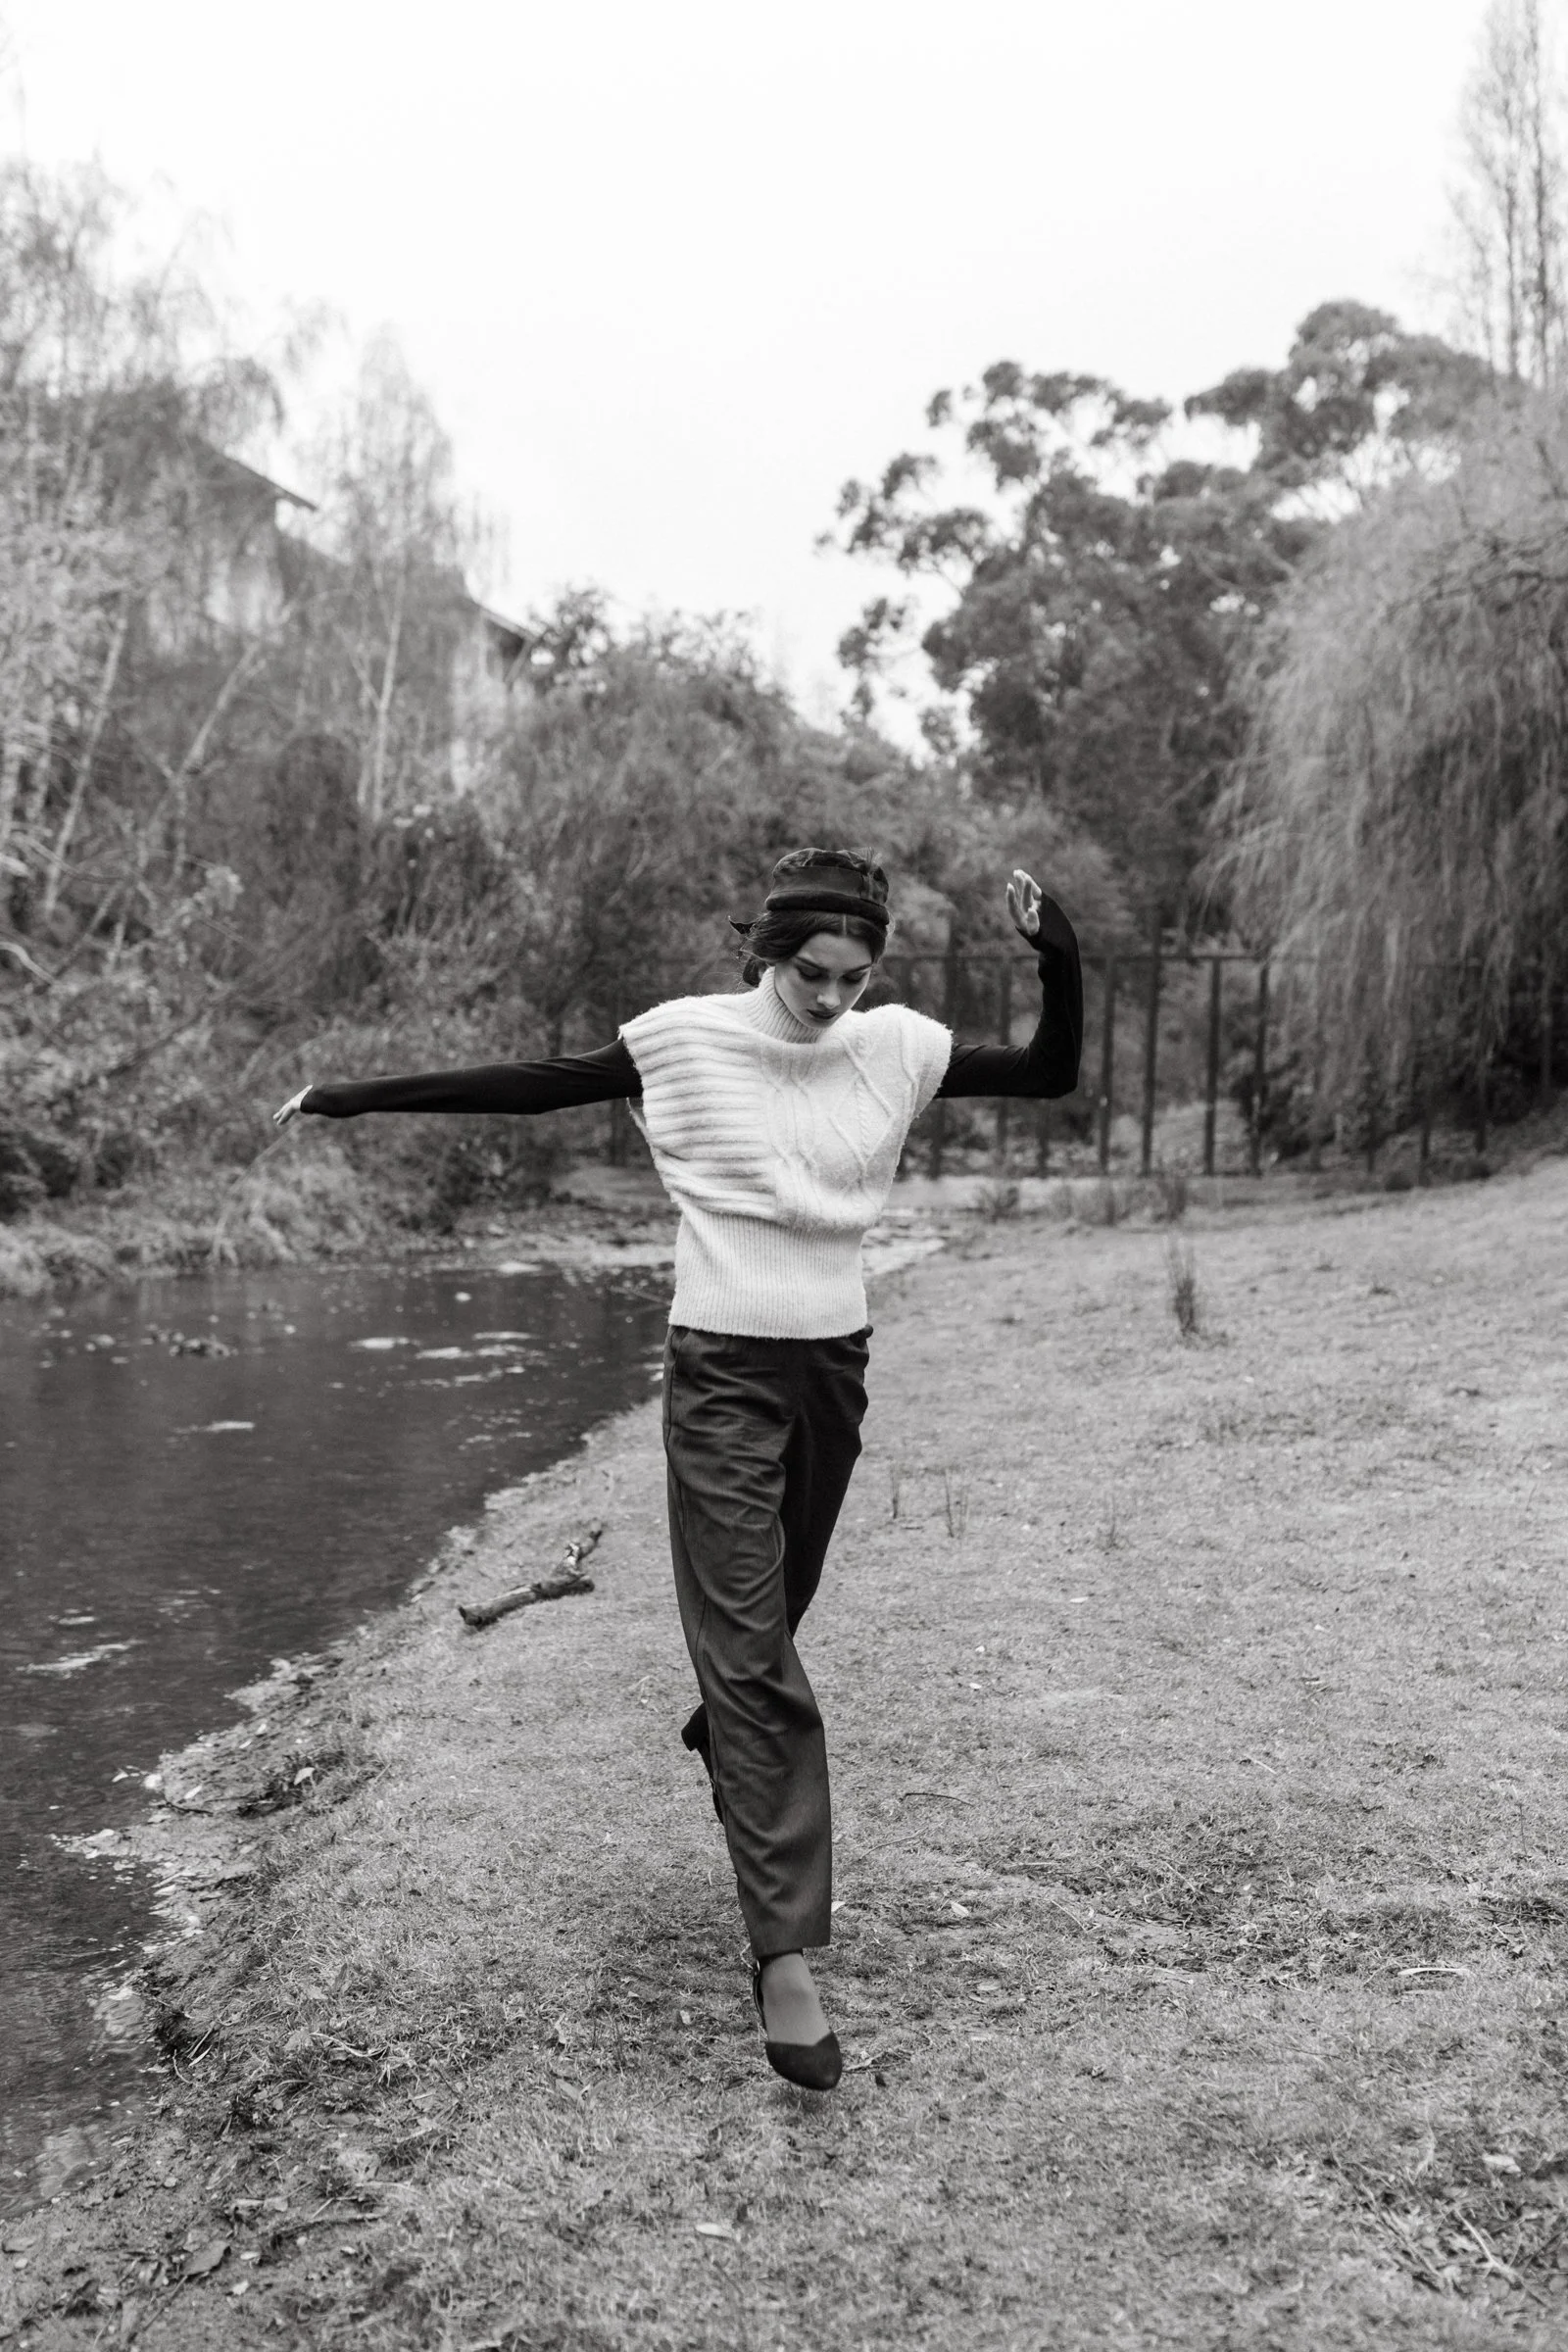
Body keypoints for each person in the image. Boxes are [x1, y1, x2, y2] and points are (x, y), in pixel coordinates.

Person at [274, 847, 1082, 2090]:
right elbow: (528, 1087)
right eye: (811, 974)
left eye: (853, 978)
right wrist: (348, 1097)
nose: (828, 999)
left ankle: (725, 1736)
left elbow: (1048, 1072)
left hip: (833, 1368)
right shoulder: (684, 1039)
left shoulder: (895, 1045)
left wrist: (1058, 955)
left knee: (767, 1625)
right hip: (721, 1371)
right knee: (758, 1654)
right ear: (767, 954)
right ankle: (785, 1961)